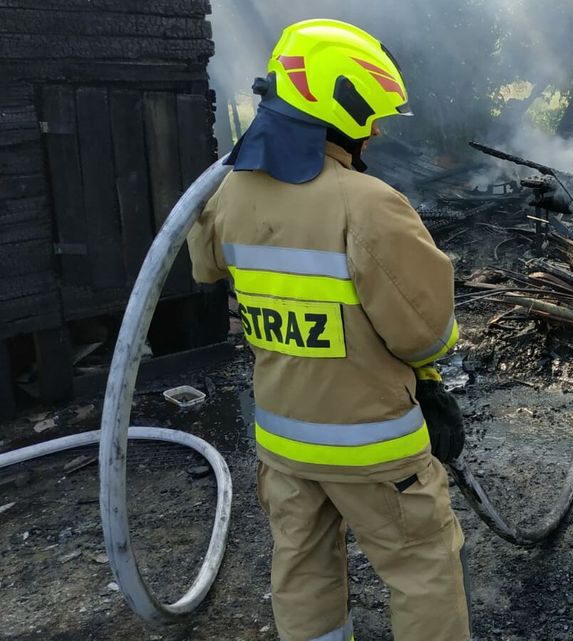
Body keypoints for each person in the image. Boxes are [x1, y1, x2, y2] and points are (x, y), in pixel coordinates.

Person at [187, 19, 469, 641]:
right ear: (338, 106)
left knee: (303, 568)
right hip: (372, 447)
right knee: (422, 567)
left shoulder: (227, 195)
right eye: (369, 114)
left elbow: (204, 265)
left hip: (284, 441)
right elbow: (423, 335)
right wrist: (432, 381)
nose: (373, 130)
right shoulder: (367, 203)